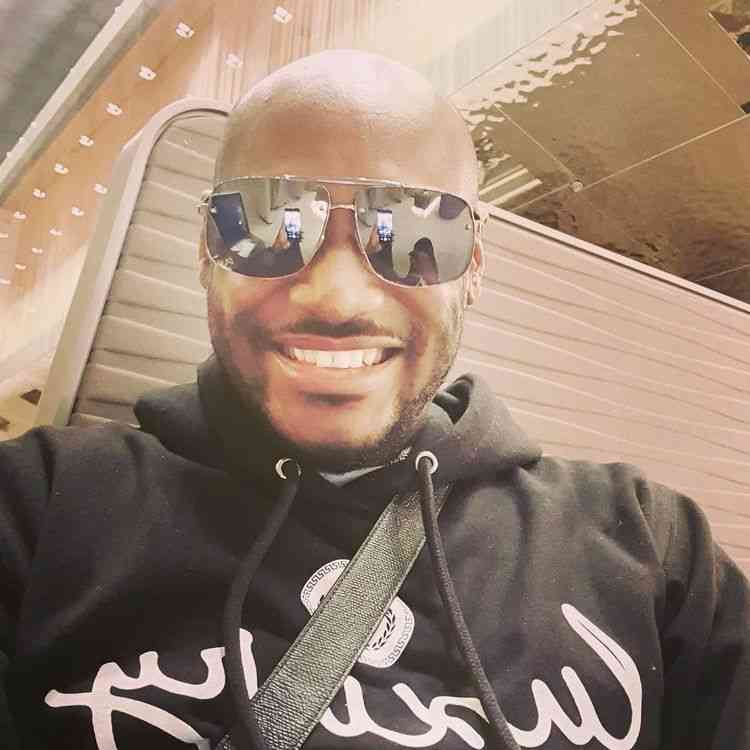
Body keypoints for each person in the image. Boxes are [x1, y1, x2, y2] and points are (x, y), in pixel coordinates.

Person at [0, 49, 748, 750]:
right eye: (268, 221)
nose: (336, 297)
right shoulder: (37, 508)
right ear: (206, 249)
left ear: (474, 265)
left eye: (412, 229)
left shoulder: (652, 547)